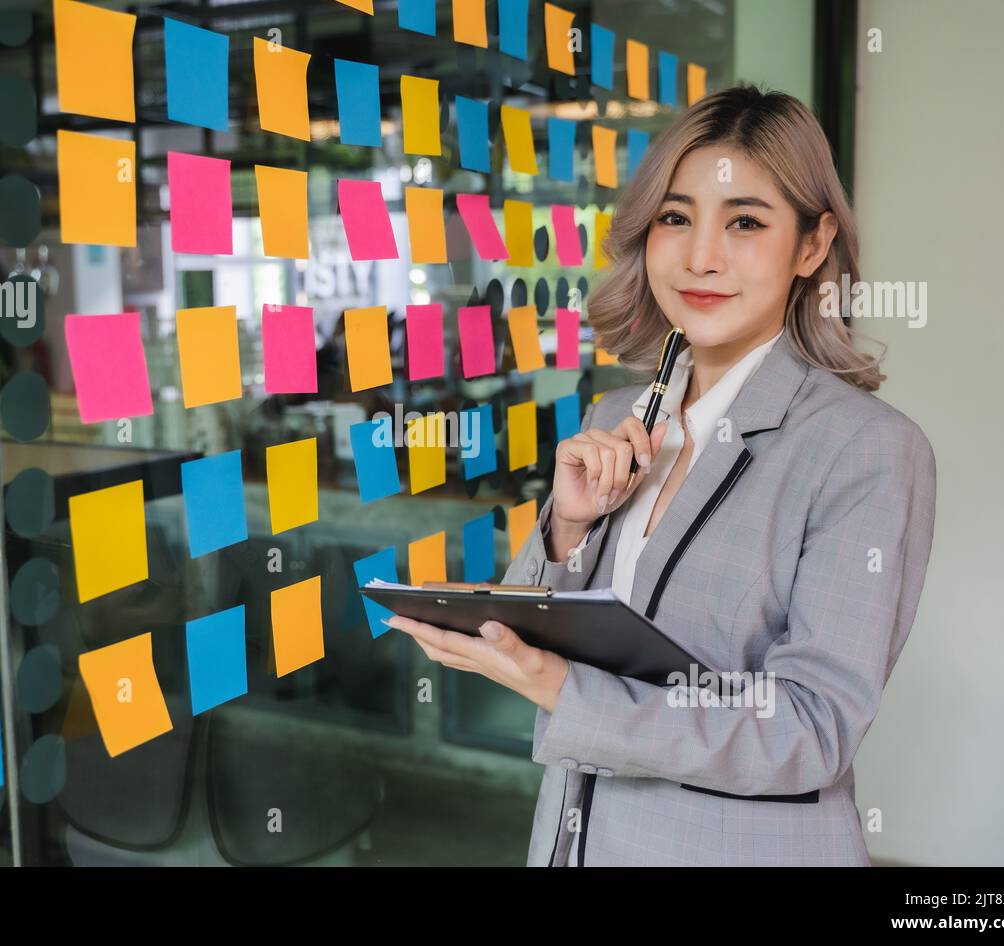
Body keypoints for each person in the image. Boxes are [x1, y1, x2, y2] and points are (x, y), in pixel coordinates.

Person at [386, 85, 937, 866]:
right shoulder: (616, 410)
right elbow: (551, 622)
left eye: (745, 221)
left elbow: (811, 730)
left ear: (812, 247)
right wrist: (569, 523)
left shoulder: (866, 450)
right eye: (676, 218)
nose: (699, 256)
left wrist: (565, 691)